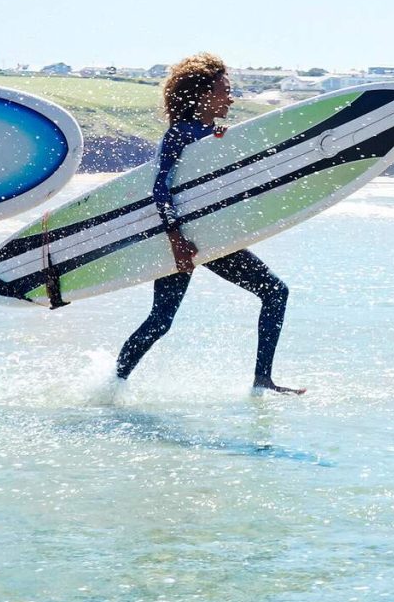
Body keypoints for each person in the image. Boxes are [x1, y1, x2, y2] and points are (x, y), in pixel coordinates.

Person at [114, 54, 302, 395]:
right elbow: (160, 189)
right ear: (202, 94)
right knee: (160, 321)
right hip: (180, 238)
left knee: (275, 293)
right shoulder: (179, 135)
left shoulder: (214, 135)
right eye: (224, 90)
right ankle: (114, 383)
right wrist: (175, 240)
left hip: (210, 238)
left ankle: (263, 379)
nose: (231, 98)